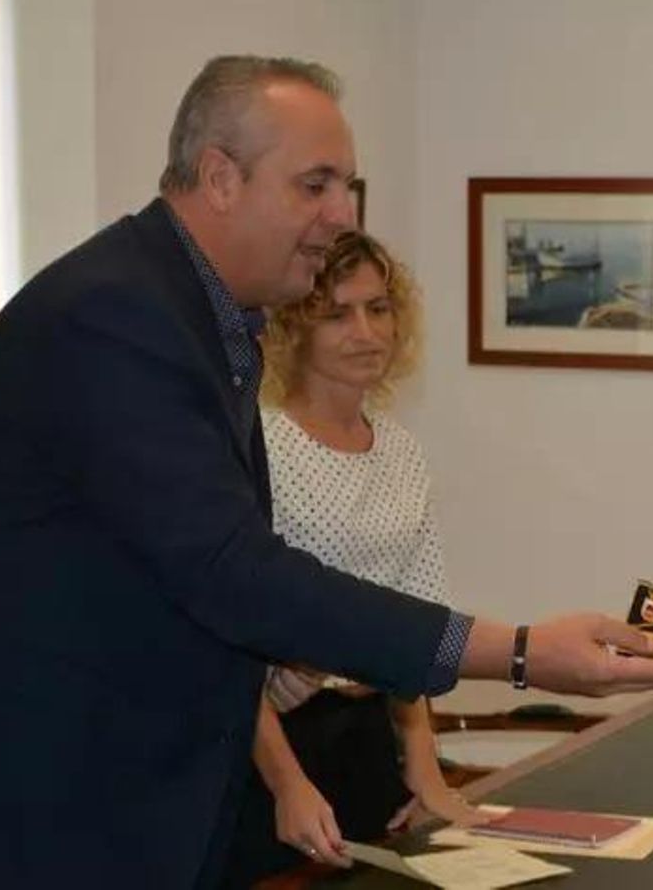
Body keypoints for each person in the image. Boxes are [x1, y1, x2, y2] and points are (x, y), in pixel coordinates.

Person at [0, 55, 653, 890]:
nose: (344, 214)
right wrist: (517, 652)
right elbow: (232, 571)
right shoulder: (116, 313)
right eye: (315, 185)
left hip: (104, 788)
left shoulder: (207, 319)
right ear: (220, 178)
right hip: (7, 792)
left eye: (347, 186)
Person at [218, 230, 483, 887]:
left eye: (378, 308)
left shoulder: (402, 450)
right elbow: (223, 645)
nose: (366, 332)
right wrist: (287, 784)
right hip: (263, 745)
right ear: (295, 328)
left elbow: (413, 627)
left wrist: (425, 769)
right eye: (337, 314)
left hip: (367, 738)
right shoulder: (257, 445)